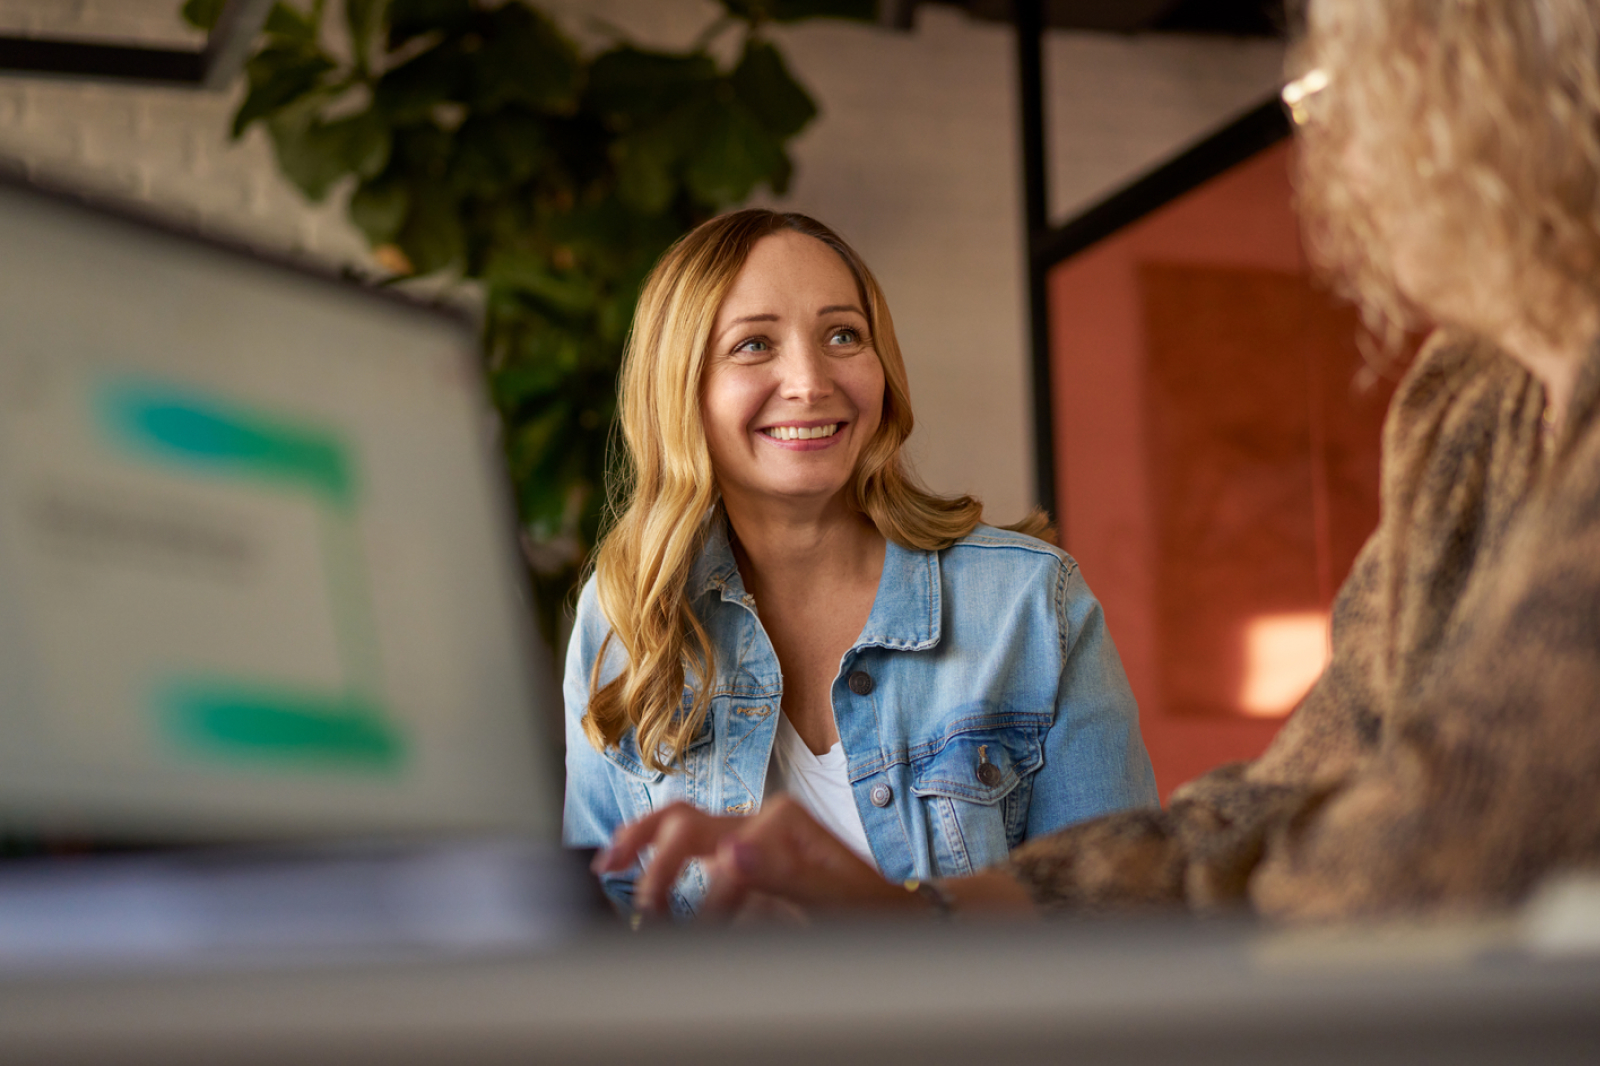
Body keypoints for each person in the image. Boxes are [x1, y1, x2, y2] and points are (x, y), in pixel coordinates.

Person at [597, 0, 1600, 922]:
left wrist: (922, 941)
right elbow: (1273, 801)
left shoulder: (1028, 601)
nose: (1336, 143)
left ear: (1497, 80)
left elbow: (1469, 826)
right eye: (752, 344)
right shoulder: (1467, 400)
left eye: (1353, 81)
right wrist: (918, 921)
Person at [564, 210, 1158, 915]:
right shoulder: (628, 609)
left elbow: (1121, 912)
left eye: (843, 335)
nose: (810, 381)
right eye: (754, 344)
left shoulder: (1030, 602)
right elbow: (605, 919)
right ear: (680, 389)